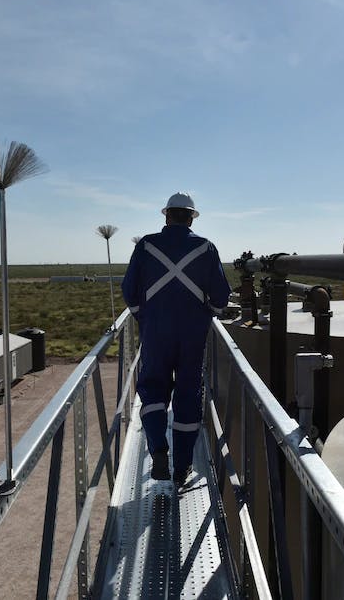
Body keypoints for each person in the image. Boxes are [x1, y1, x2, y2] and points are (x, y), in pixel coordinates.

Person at [122, 192, 232, 486]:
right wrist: (209, 313)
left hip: (156, 331)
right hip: (192, 335)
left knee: (153, 388)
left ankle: (158, 448)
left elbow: (129, 290)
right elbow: (221, 296)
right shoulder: (205, 248)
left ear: (166, 215)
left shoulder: (146, 245)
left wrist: (143, 317)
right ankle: (182, 467)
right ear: (191, 218)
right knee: (187, 395)